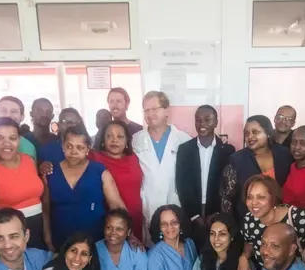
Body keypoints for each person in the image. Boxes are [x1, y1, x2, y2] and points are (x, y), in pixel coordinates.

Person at [0, 118, 49, 250]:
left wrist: (47, 237)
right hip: (8, 240)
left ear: (19, 140)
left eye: (12, 138)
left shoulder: (28, 160)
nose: (6, 144)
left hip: (36, 233)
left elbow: (39, 201)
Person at [46, 125, 126, 250]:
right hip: (61, 240)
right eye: (69, 146)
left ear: (88, 149)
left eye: (80, 147)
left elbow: (116, 205)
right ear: (62, 146)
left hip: (95, 241)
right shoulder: (51, 172)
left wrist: (129, 234)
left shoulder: (99, 171)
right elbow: (46, 211)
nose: (73, 152)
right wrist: (47, 238)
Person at [132, 91, 191, 241]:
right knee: (152, 247)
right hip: (149, 204)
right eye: (146, 110)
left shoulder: (183, 139)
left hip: (175, 201)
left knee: (176, 245)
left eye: (154, 109)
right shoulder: (136, 140)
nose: (150, 114)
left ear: (166, 111)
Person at [238, 175, 305, 270]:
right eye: (249, 197)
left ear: (273, 198)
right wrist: (244, 257)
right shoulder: (249, 220)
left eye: (261, 197)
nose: (254, 203)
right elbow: (249, 242)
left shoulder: (297, 218)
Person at [176, 105, 235, 245]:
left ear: (216, 122)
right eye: (198, 120)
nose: (202, 124)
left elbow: (229, 186)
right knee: (193, 250)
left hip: (217, 212)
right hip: (192, 212)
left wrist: (219, 213)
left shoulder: (227, 150)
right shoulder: (184, 149)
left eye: (207, 119)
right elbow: (181, 183)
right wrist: (193, 215)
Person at [220, 115, 294, 220]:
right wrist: (229, 224)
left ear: (268, 133)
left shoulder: (284, 154)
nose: (250, 137)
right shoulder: (236, 159)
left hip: (280, 219)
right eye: (246, 133)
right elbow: (226, 196)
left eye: (255, 132)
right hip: (248, 221)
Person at [92, 119, 145, 240]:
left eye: (120, 136)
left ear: (127, 140)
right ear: (103, 140)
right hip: (111, 221)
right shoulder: (94, 158)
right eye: (109, 136)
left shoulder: (134, 158)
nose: (114, 140)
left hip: (135, 217)